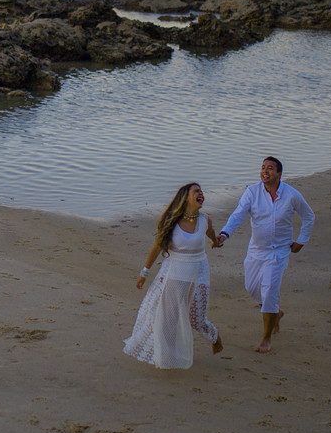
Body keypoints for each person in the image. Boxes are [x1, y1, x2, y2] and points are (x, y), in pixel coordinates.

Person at [216, 156, 314, 353]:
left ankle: (266, 338)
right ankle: (275, 313)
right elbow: (238, 215)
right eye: (263, 168)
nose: (265, 171)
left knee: (269, 291)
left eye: (270, 168)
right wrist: (225, 234)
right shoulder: (252, 192)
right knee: (252, 287)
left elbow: (309, 217)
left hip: (279, 252)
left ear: (279, 174)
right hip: (256, 250)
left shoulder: (292, 195)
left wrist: (301, 241)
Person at [123, 182, 223, 369]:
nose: (201, 194)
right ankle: (166, 357)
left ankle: (214, 336)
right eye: (196, 191)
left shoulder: (205, 220)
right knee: (167, 318)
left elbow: (210, 233)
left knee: (196, 319)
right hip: (174, 273)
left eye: (201, 191)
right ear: (185, 197)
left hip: (199, 272)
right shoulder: (172, 222)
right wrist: (144, 273)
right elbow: (156, 247)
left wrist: (215, 242)